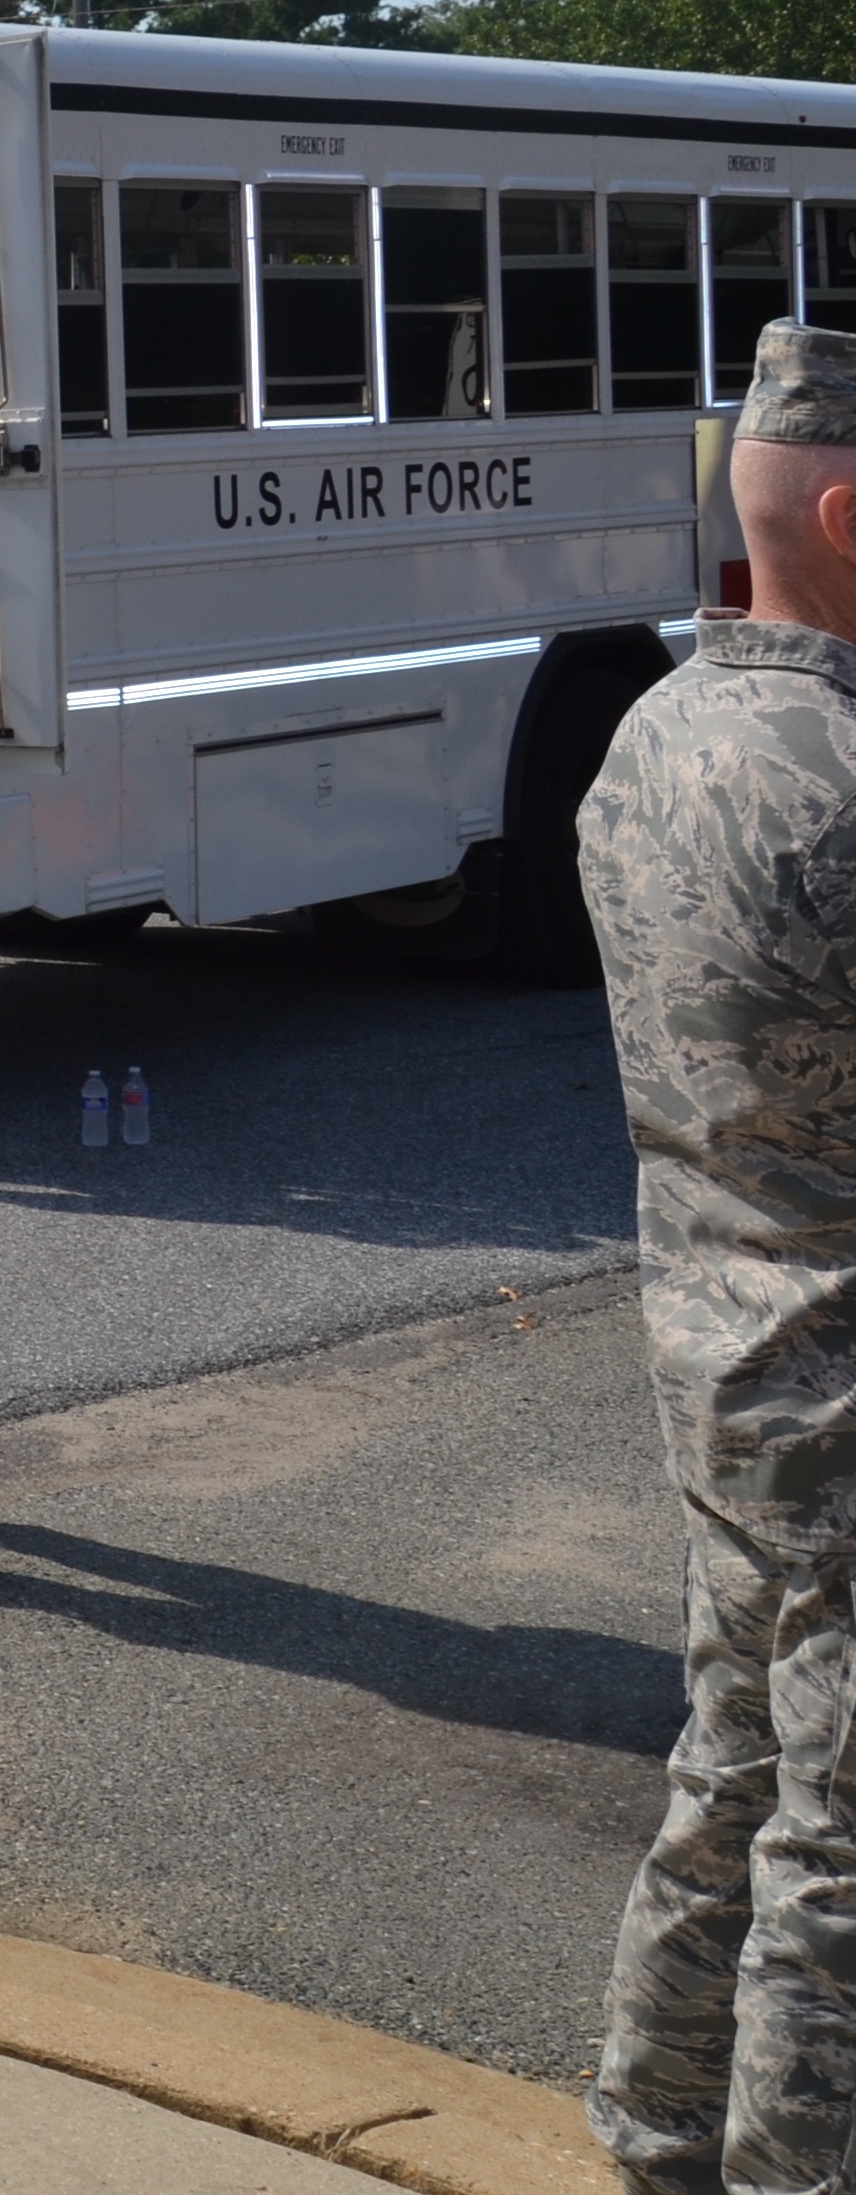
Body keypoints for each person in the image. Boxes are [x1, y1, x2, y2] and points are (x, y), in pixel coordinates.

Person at [577, 318, 856, 2194]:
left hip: (714, 1345)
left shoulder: (651, 727)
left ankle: (655, 2115)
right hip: (840, 1382)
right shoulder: (837, 768)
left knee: (730, 1767)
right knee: (835, 1836)